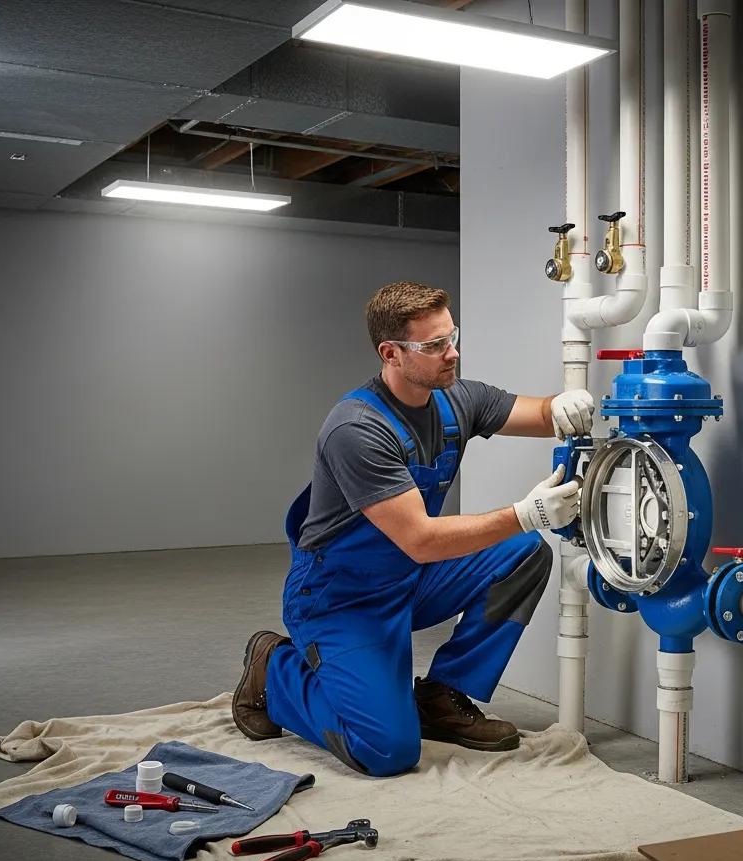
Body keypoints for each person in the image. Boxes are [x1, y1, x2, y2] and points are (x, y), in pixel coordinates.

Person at [231, 281, 593, 777]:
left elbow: (539, 413)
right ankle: (274, 669)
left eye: (452, 336)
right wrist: (526, 513)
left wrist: (565, 405)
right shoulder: (358, 428)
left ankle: (442, 696)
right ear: (391, 354)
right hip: (341, 599)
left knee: (523, 552)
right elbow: (420, 540)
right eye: (434, 345)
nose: (452, 353)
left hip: (409, 579)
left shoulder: (457, 399)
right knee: (387, 750)